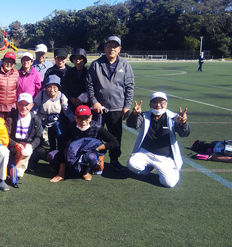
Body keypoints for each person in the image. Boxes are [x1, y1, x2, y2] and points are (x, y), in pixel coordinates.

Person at [86, 35, 135, 170]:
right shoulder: (96, 64)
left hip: (116, 108)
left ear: (119, 49)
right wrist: (94, 102)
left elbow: (129, 86)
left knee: (115, 136)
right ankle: (95, 160)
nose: (112, 49)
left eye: (115, 47)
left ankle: (114, 159)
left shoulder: (125, 65)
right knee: (96, 134)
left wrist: (127, 106)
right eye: (109, 46)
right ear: (105, 47)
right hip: (99, 108)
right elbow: (89, 85)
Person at [126, 92, 190, 188]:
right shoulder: (144, 115)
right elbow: (133, 124)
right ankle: (148, 168)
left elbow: (184, 134)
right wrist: (134, 115)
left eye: (161, 102)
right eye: (155, 102)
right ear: (150, 105)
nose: (158, 105)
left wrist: (182, 124)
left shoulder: (174, 118)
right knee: (132, 164)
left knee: (169, 183)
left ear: (166, 104)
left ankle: (171, 170)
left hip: (164, 158)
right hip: (146, 153)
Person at [49, 104, 119, 183]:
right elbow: (63, 146)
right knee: (51, 156)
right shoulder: (71, 126)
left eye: (86, 118)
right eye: (80, 118)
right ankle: (68, 168)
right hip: (74, 152)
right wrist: (61, 173)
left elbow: (115, 142)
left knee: (91, 157)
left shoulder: (97, 127)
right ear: (75, 118)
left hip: (89, 154)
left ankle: (86, 171)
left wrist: (97, 148)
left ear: (91, 117)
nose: (83, 121)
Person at [5, 93, 43, 178]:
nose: (23, 107)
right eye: (21, 104)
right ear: (17, 104)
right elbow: (6, 135)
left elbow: (38, 137)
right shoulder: (11, 117)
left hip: (27, 144)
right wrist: (15, 144)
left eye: (26, 105)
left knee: (39, 151)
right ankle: (14, 167)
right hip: (14, 144)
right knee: (8, 153)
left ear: (32, 105)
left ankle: (17, 173)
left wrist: (31, 145)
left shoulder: (36, 119)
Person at [32, 75, 73, 151]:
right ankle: (38, 151)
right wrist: (33, 121)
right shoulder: (41, 95)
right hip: (42, 119)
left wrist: (74, 120)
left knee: (60, 135)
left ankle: (60, 151)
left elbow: (67, 110)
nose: (52, 90)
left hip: (55, 119)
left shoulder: (61, 96)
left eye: (55, 87)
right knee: (37, 135)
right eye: (49, 87)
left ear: (58, 88)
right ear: (46, 87)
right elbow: (34, 109)